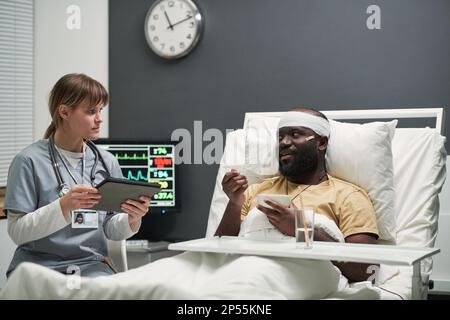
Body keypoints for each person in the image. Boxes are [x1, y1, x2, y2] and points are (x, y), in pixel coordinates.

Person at [4, 73, 151, 278]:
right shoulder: (28, 161)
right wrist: (64, 206)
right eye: (91, 111)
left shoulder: (107, 161)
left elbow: (110, 228)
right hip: (38, 269)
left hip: (90, 267)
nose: (99, 118)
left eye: (100, 110)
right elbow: (17, 231)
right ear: (64, 112)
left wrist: (132, 219)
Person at [216, 107, 379, 282]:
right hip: (243, 271)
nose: (284, 143)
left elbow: (365, 271)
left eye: (295, 134)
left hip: (295, 277)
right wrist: (234, 203)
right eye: (280, 137)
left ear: (321, 143)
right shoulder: (255, 191)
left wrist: (301, 229)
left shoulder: (348, 196)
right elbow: (218, 254)